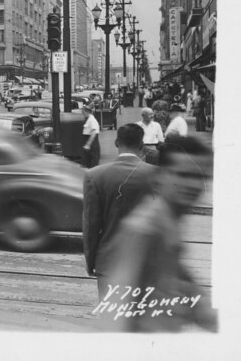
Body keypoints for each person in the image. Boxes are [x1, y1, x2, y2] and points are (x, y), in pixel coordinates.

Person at [98, 137, 216, 332]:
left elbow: (183, 280)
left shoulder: (168, 218)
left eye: (201, 177)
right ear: (160, 177)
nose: (194, 185)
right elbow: (118, 308)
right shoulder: (145, 228)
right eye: (183, 175)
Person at [82, 123, 157, 298]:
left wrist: (91, 261)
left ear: (116, 143)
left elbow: (90, 226)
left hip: (109, 262)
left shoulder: (94, 176)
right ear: (141, 146)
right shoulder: (157, 176)